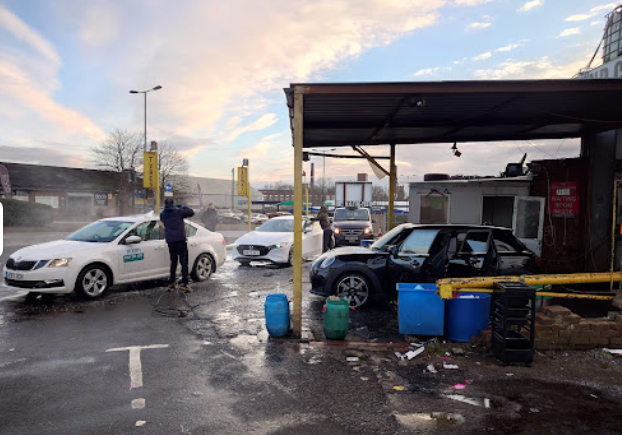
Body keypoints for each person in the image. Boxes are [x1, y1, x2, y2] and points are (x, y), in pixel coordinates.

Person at [160, 198, 195, 292]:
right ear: (173, 203)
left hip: (170, 241)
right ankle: (184, 283)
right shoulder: (179, 212)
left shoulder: (162, 214)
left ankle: (172, 284)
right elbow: (191, 212)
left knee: (173, 262)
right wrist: (182, 206)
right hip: (180, 240)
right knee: (184, 262)